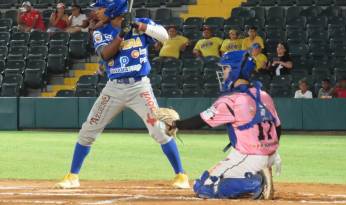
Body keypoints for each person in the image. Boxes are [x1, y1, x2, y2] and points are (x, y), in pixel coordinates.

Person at [55, 0, 190, 190]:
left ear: (112, 9)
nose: (95, 12)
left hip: (139, 87)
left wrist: (137, 25)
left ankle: (181, 175)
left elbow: (165, 36)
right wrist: (121, 34)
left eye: (99, 8)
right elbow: (105, 55)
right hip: (114, 89)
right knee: (89, 129)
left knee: (159, 130)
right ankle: (72, 176)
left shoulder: (140, 22)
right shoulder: (101, 30)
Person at [154, 50, 282, 200]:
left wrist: (175, 124)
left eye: (226, 68)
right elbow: (277, 127)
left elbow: (200, 121)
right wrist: (267, 151)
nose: (224, 72)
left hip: (249, 155)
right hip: (271, 155)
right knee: (204, 178)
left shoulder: (230, 100)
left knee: (204, 188)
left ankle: (257, 183)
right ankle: (258, 173)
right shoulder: (264, 95)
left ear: (236, 70)